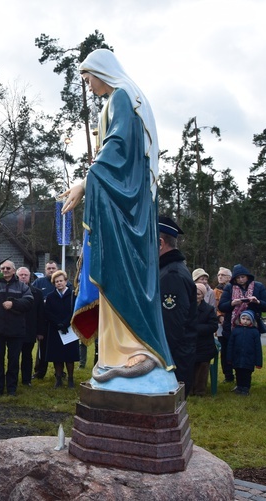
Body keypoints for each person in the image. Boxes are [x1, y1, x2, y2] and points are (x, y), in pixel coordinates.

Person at [61, 49, 176, 393]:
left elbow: (117, 150)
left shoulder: (123, 97)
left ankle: (137, 351)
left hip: (125, 208)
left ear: (102, 72)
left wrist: (86, 182)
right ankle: (116, 355)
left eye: (88, 78)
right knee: (118, 277)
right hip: (123, 203)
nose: (88, 85)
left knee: (122, 274)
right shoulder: (123, 98)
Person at [159, 217, 198, 396]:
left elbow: (171, 326)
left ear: (160, 243)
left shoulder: (172, 274)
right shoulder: (168, 269)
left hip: (172, 360)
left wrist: (158, 359)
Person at [218, 264, 266, 391]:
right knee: (230, 352)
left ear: (247, 276)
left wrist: (257, 302)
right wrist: (233, 303)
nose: (241, 280)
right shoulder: (229, 288)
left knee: (247, 353)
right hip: (232, 326)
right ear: (234, 279)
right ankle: (230, 376)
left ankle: (245, 381)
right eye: (238, 278)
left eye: (243, 277)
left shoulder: (258, 286)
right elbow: (222, 306)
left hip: (251, 327)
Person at [0, 260, 33, 396]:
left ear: (14, 271)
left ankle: (12, 388)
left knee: (13, 361)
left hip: (16, 329)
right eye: (3, 268)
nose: (5, 270)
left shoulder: (22, 286)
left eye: (8, 268)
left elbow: (29, 302)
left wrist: (13, 304)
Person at [44, 270, 77, 388]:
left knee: (69, 356)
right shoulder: (50, 296)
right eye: (56, 281)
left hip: (69, 329)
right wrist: (58, 323)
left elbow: (74, 310)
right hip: (55, 329)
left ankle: (71, 379)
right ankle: (58, 379)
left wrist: (65, 323)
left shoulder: (73, 295)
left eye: (61, 281)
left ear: (66, 281)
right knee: (57, 356)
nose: (59, 283)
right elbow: (47, 312)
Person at [16, 266, 44, 387]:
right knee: (14, 356)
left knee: (27, 356)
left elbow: (40, 314)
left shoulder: (37, 293)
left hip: (30, 329)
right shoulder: (12, 290)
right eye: (20, 275)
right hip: (14, 329)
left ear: (29, 276)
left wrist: (40, 331)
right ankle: (13, 379)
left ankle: (26, 380)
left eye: (25, 275)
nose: (23, 277)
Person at [191, 283, 219, 397]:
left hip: (205, 345)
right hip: (190, 344)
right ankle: (188, 389)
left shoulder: (209, 310)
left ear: (202, 296)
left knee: (203, 364)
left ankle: (199, 391)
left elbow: (213, 326)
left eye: (198, 294)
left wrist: (195, 328)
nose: (195, 296)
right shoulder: (186, 307)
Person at [226, 310, 263, 396]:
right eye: (243, 318)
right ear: (240, 319)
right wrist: (229, 358)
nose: (245, 321)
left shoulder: (254, 332)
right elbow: (230, 345)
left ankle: (245, 388)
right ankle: (239, 386)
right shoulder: (236, 331)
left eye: (248, 319)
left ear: (252, 321)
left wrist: (258, 362)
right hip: (237, 357)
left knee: (247, 374)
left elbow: (258, 348)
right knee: (238, 372)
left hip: (249, 358)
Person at [32, 260, 58, 379]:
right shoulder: (38, 282)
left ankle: (60, 372)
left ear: (57, 269)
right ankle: (39, 371)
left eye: (53, 268)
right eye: (49, 268)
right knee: (42, 348)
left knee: (59, 347)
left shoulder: (62, 282)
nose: (51, 270)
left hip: (58, 321)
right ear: (45, 270)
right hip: (43, 321)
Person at [215, 267, 234, 382]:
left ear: (230, 278)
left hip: (233, 321)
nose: (220, 277)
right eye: (218, 275)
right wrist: (219, 316)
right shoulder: (215, 291)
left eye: (223, 275)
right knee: (224, 349)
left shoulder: (234, 289)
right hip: (220, 324)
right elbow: (213, 306)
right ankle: (228, 375)